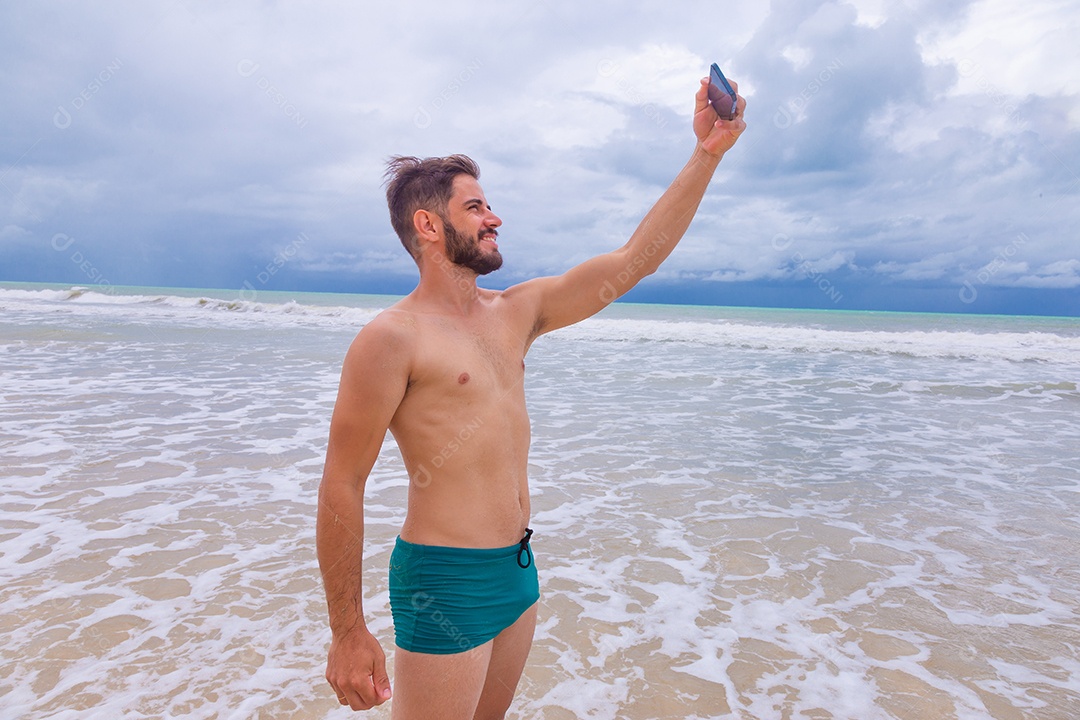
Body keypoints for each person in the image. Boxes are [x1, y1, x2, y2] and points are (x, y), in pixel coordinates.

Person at [316, 74, 746, 718]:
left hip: (516, 571)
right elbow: (341, 483)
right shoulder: (390, 339)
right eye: (475, 208)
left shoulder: (517, 313)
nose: (494, 218)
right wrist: (348, 630)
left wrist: (707, 153)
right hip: (446, 580)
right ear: (428, 225)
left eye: (489, 205)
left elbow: (636, 260)